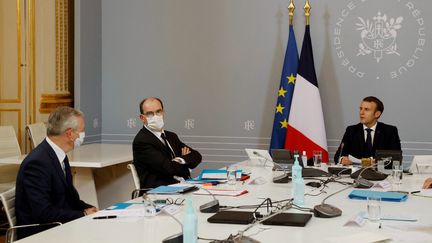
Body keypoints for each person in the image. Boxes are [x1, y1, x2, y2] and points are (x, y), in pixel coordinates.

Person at [15, 107, 98, 239]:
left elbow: (71, 199)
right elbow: (43, 213)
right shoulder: (37, 163)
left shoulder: (60, 155)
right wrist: (82, 215)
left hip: (59, 226)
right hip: (40, 234)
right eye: (81, 131)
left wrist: (93, 210)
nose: (83, 135)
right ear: (70, 134)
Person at [133, 97, 202, 189]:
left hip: (182, 186)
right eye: (149, 114)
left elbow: (196, 156)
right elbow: (169, 169)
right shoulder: (142, 141)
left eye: (158, 111)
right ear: (142, 118)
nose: (155, 116)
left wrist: (179, 160)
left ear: (163, 113)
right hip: (158, 192)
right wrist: (185, 162)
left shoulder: (171, 136)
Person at [334, 96, 401, 165]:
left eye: (366, 109)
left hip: (379, 174)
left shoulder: (389, 131)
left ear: (377, 114)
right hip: (356, 174)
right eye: (360, 109)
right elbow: (337, 156)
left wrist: (375, 162)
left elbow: (396, 159)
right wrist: (342, 159)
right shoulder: (351, 131)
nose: (361, 113)